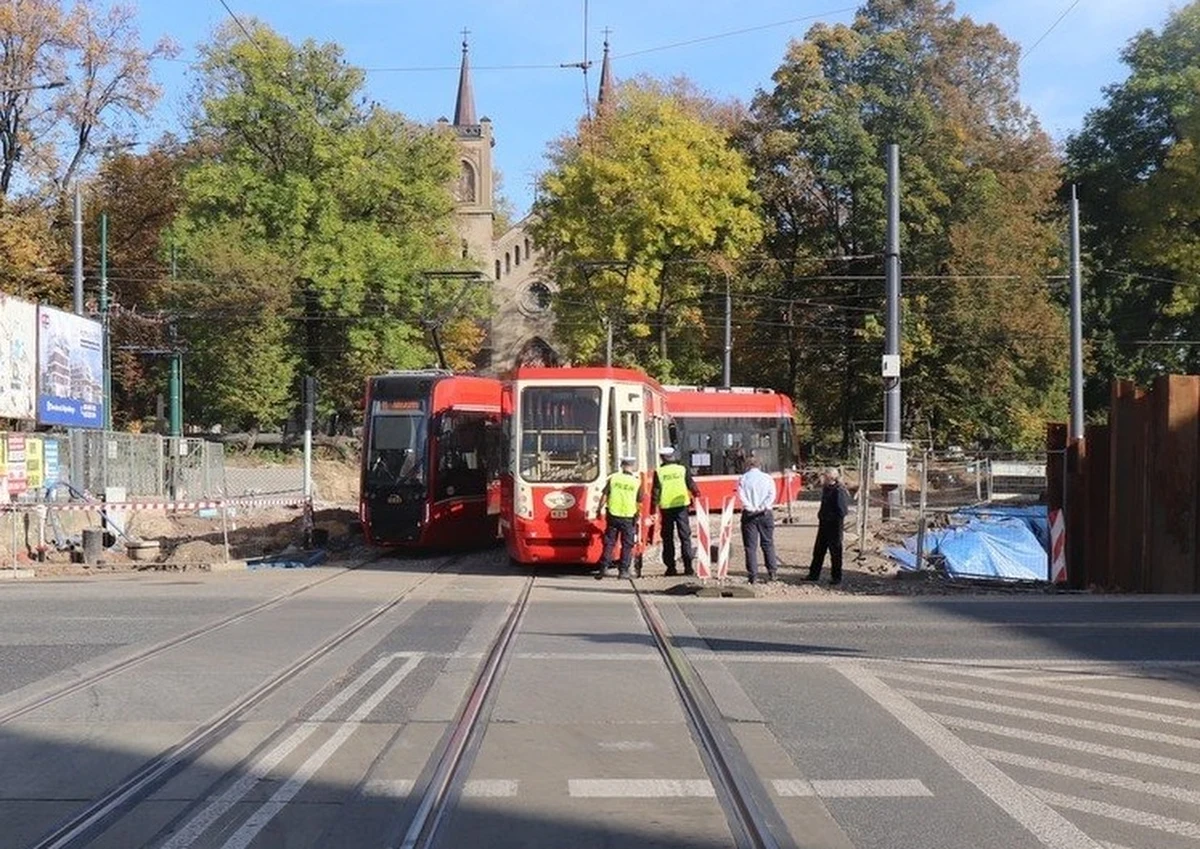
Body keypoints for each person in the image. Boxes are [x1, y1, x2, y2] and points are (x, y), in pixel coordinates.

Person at [653, 446, 701, 577]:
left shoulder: (659, 472)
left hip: (666, 508)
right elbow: (691, 484)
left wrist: (653, 510)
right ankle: (688, 567)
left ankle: (671, 568)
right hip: (682, 507)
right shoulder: (682, 469)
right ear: (672, 456)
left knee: (668, 538)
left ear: (662, 457)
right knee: (685, 537)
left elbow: (656, 492)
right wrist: (697, 494)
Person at [596, 456, 643, 579]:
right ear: (632, 467)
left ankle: (603, 568)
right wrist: (638, 515)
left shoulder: (613, 479)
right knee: (627, 545)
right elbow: (640, 502)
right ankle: (623, 571)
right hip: (628, 517)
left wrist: (598, 509)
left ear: (622, 466)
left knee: (610, 542)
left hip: (613, 516)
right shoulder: (636, 482)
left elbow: (604, 495)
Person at [736, 453, 779, 584]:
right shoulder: (767, 478)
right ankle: (772, 572)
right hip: (765, 514)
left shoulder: (742, 479)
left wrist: (750, 506)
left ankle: (753, 575)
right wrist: (763, 506)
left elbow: (741, 495)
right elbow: (772, 494)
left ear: (748, 466)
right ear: (760, 465)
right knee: (767, 543)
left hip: (749, 515)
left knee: (750, 547)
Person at [807, 467, 850, 585]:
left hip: (834, 525)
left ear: (830, 477)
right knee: (819, 550)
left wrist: (832, 517)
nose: (823, 478)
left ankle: (836, 577)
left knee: (835, 551)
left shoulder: (839, 490)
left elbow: (842, 510)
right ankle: (813, 574)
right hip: (824, 523)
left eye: (825, 476)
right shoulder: (827, 488)